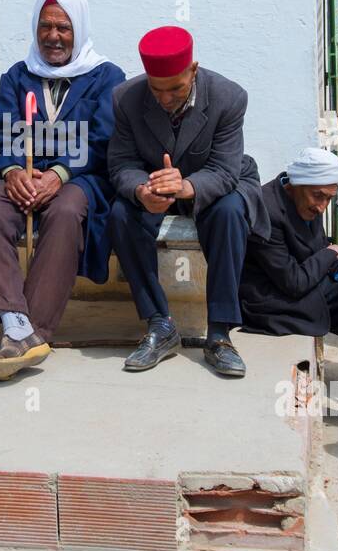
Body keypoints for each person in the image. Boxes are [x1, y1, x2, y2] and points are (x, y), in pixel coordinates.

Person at [0, 0, 125, 380]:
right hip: (25, 173)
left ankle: (32, 331)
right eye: (45, 26)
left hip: (80, 178)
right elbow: (2, 135)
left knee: (67, 210)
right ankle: (14, 323)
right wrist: (12, 171)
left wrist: (59, 173)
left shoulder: (106, 76)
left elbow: (103, 139)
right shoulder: (17, 76)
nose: (53, 36)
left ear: (80, 29)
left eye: (64, 28)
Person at [107, 25, 270, 377]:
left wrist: (187, 187)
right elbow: (121, 163)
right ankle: (159, 325)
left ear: (193, 70)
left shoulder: (229, 97)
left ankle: (220, 335)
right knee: (121, 214)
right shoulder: (125, 98)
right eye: (156, 90)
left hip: (215, 183)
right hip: (156, 184)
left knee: (229, 212)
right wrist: (142, 191)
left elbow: (226, 171)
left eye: (176, 89)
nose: (165, 99)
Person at [240, 148, 338, 440]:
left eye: (329, 198)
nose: (323, 207)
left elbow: (317, 253)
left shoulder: (307, 201)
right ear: (296, 185)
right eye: (319, 196)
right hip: (273, 300)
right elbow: (292, 280)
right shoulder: (266, 209)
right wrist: (332, 255)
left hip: (305, 287)